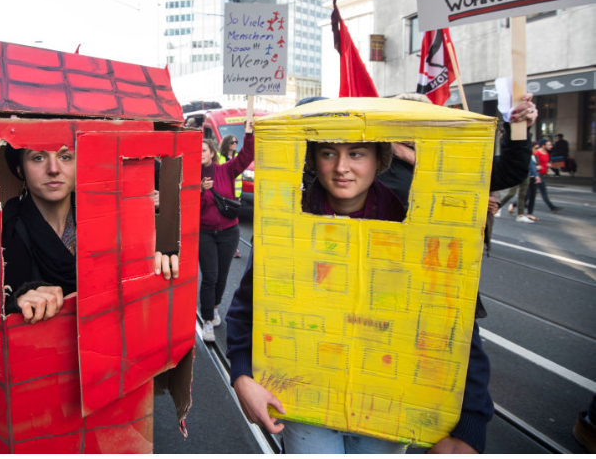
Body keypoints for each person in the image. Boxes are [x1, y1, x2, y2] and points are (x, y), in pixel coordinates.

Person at [227, 95, 538, 454]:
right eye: (329, 152)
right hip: (304, 403)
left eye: (357, 153)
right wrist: (241, 375)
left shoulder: (410, 230)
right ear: (314, 159)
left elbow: (454, 325)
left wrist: (470, 427)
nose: (342, 167)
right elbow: (248, 307)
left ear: (379, 161)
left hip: (387, 408)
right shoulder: (283, 228)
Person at [0, 144, 179, 321]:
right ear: (20, 170)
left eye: (65, 157)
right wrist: (17, 302)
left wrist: (160, 265)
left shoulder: (106, 219)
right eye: (38, 157)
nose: (53, 169)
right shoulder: (4, 229)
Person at [198, 125, 254, 342]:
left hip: (229, 232)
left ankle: (213, 308)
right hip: (205, 233)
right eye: (198, 151)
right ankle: (207, 320)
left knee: (222, 277)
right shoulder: (191, 176)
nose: (201, 154)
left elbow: (246, 156)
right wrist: (201, 190)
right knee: (210, 277)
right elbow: (190, 206)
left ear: (212, 153)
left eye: (204, 150)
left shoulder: (226, 170)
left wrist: (249, 134)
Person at [218, 133, 243, 258]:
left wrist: (239, 195)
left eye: (236, 142)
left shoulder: (238, 157)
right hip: (222, 194)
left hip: (235, 195)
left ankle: (234, 248)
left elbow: (240, 179)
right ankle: (221, 244)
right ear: (227, 143)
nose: (235, 144)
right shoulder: (219, 157)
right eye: (232, 142)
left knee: (233, 222)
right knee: (221, 219)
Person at [525, 139, 563, 219]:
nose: (551, 146)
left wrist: (554, 165)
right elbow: (531, 164)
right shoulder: (537, 153)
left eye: (551, 145)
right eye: (549, 145)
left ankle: (516, 205)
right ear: (543, 146)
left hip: (540, 174)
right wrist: (536, 172)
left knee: (529, 194)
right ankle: (552, 207)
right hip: (536, 175)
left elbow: (546, 164)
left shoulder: (547, 154)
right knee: (541, 193)